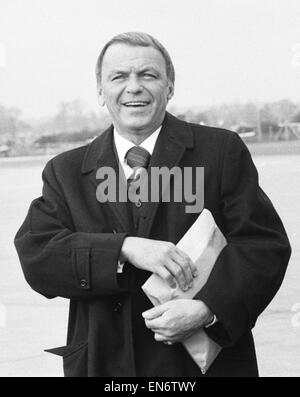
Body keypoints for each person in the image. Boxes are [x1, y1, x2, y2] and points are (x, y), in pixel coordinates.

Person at [14, 32, 291, 377]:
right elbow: (38, 256)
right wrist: (125, 249)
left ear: (169, 87)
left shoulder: (221, 152)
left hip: (200, 368)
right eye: (119, 76)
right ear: (100, 91)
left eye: (148, 75)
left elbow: (265, 248)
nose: (134, 87)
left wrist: (207, 308)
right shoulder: (66, 171)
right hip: (104, 366)